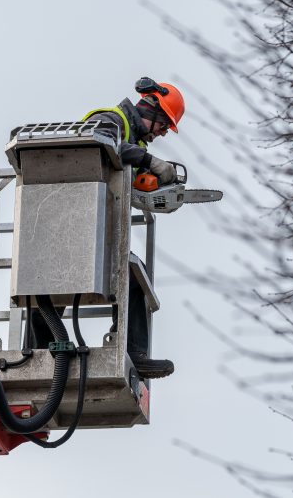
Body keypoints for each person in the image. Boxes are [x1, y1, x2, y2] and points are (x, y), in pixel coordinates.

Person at [82, 77, 185, 379]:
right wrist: (150, 160)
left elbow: (130, 176)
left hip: (99, 229)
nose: (162, 133)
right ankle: (40, 350)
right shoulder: (110, 120)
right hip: (73, 221)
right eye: (164, 125)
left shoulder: (135, 142)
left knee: (133, 279)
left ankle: (133, 353)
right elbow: (100, 142)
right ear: (151, 108)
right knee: (47, 293)